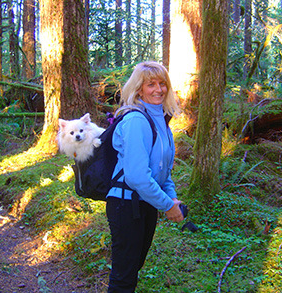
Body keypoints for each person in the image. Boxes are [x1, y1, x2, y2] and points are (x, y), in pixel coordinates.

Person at [106, 61, 184, 292]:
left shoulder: (162, 123)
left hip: (146, 202)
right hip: (125, 203)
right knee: (124, 274)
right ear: (139, 88)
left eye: (163, 84)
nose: (159, 90)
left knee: (134, 265)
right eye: (151, 84)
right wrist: (167, 206)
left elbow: (163, 172)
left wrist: (171, 200)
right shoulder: (136, 120)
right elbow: (137, 176)